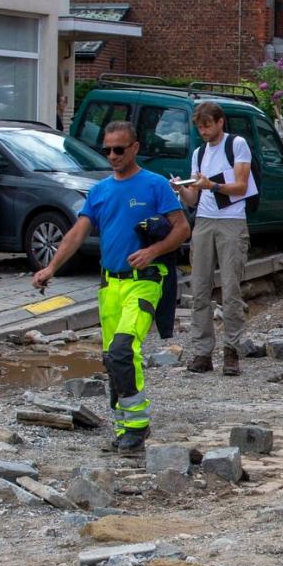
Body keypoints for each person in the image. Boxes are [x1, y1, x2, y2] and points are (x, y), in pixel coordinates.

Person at [33, 121, 189, 452]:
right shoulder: (100, 191)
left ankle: (137, 426)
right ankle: (123, 428)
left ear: (134, 148)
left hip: (145, 283)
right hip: (109, 287)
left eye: (119, 149)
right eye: (107, 150)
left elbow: (182, 229)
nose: (113, 156)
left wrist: (152, 251)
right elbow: (77, 233)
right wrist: (51, 267)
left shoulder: (155, 185)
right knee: (112, 358)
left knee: (122, 349)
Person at [174, 102, 257, 376]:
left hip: (232, 220)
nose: (204, 131)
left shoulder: (237, 144)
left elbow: (241, 186)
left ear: (221, 122)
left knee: (231, 288)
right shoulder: (198, 153)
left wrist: (212, 185)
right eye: (200, 127)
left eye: (207, 125)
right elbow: (194, 198)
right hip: (205, 221)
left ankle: (231, 351)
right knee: (199, 288)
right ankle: (202, 352)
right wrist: (181, 189)